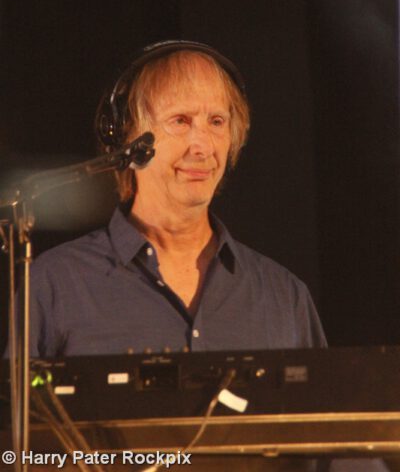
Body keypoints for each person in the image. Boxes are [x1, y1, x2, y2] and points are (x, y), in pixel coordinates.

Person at [28, 40, 326, 357]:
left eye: (216, 122)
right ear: (128, 136)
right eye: (181, 121)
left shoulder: (285, 297)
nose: (203, 147)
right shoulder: (56, 283)